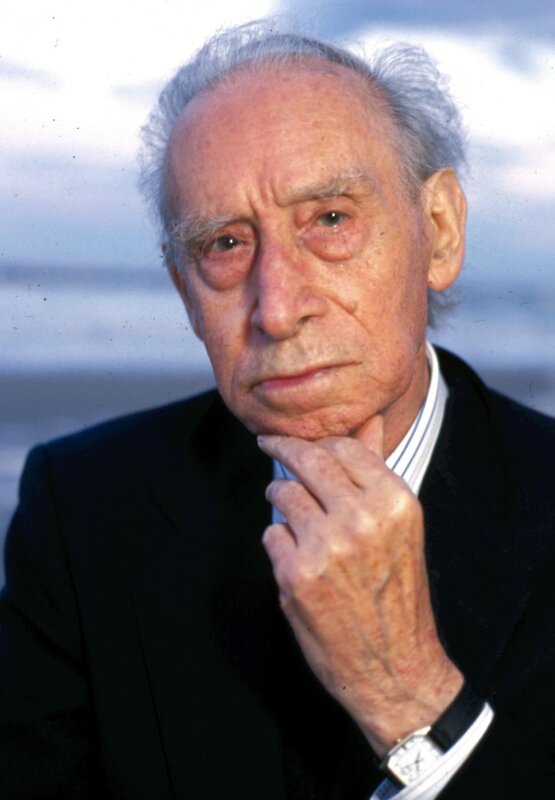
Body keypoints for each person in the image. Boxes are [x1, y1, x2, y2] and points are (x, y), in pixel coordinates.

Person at [1, 20, 554, 800]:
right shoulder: (80, 507)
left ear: (437, 231)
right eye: (224, 245)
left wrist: (409, 700)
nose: (278, 309)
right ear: (185, 294)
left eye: (329, 220)